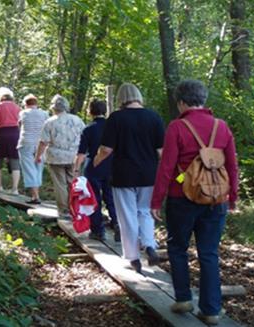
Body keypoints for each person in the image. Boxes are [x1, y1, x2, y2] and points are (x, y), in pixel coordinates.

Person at [150, 80, 238, 325]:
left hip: (182, 197)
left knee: (178, 248)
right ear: (204, 99)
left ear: (181, 102)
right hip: (216, 198)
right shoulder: (222, 126)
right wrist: (232, 197)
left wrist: (156, 201)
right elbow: (231, 165)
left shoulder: (177, 127)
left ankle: (184, 299)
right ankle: (211, 310)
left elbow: (167, 168)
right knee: (209, 253)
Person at [93, 83, 165, 273]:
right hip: (149, 174)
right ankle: (150, 245)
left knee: (127, 216)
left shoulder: (116, 118)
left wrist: (95, 161)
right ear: (138, 96)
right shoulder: (154, 117)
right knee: (144, 211)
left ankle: (133, 258)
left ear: (121, 98)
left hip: (123, 173)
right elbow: (161, 152)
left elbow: (106, 149)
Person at [73, 99, 120, 242]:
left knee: (94, 199)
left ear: (90, 111)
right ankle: (117, 224)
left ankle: (97, 230)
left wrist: (76, 169)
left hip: (93, 166)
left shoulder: (88, 129)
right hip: (112, 166)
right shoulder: (113, 127)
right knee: (111, 197)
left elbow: (81, 153)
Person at [35, 94, 85, 217]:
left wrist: (38, 156)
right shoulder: (77, 120)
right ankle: (75, 208)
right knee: (72, 182)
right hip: (74, 156)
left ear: (54, 108)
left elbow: (43, 142)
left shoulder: (50, 122)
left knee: (60, 184)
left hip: (56, 157)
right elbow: (84, 137)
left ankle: (64, 210)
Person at [17, 94, 49, 204]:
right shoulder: (45, 114)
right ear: (36, 103)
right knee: (38, 168)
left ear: (25, 104)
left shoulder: (23, 113)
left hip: (26, 143)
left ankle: (35, 196)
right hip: (40, 144)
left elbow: (19, 125)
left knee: (29, 169)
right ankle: (36, 195)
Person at [0, 87, 21, 194]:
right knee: (15, 160)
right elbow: (20, 123)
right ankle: (15, 189)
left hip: (1, 134)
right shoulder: (17, 107)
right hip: (15, 134)